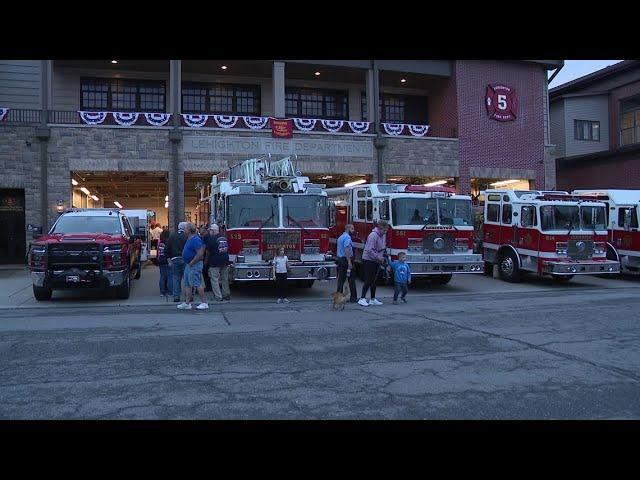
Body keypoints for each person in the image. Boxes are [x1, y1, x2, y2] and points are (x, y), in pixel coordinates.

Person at [177, 223, 209, 310]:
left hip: (194, 265)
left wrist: (192, 262)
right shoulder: (189, 238)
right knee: (187, 283)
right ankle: (187, 303)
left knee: (196, 283)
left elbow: (200, 253)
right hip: (189, 265)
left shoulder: (195, 239)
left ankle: (204, 302)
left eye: (186, 228)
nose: (184, 230)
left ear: (189, 230)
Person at [358, 219, 389, 307]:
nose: (385, 232)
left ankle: (372, 298)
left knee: (374, 280)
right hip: (369, 260)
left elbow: (382, 247)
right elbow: (370, 250)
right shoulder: (373, 235)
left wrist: (383, 255)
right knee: (368, 279)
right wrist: (379, 257)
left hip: (376, 260)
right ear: (380, 228)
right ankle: (362, 298)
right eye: (384, 230)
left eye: (386, 230)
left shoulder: (382, 235)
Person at [206, 224, 231, 302]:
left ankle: (218, 296)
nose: (209, 232)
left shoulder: (211, 239)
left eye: (210, 230)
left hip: (215, 261)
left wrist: (206, 261)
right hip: (225, 260)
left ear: (213, 230)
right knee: (225, 278)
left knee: (214, 279)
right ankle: (226, 294)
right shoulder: (224, 238)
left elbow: (208, 251)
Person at [165, 221, 188, 303]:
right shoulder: (187, 236)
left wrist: (168, 259)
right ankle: (187, 297)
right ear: (185, 228)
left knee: (176, 278)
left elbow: (167, 249)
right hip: (185, 259)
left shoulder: (172, 236)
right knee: (186, 279)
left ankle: (176, 297)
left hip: (175, 259)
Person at [336, 224, 357, 303]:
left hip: (340, 259)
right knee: (351, 279)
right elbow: (347, 249)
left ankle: (339, 297)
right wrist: (349, 262)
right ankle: (353, 298)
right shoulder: (347, 237)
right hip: (345, 260)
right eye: (352, 228)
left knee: (341, 280)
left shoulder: (340, 237)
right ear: (347, 229)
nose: (353, 230)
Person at [157, 229, 173, 298]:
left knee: (162, 276)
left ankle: (162, 292)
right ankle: (170, 292)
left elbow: (159, 253)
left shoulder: (160, 243)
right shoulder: (169, 243)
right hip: (168, 260)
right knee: (170, 276)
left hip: (161, 260)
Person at [200, 226, 213, 293]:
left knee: (205, 273)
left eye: (201, 229)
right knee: (207, 273)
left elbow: (205, 248)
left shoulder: (205, 237)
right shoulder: (208, 236)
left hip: (206, 257)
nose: (200, 230)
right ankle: (209, 286)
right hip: (209, 257)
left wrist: (204, 259)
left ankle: (208, 287)